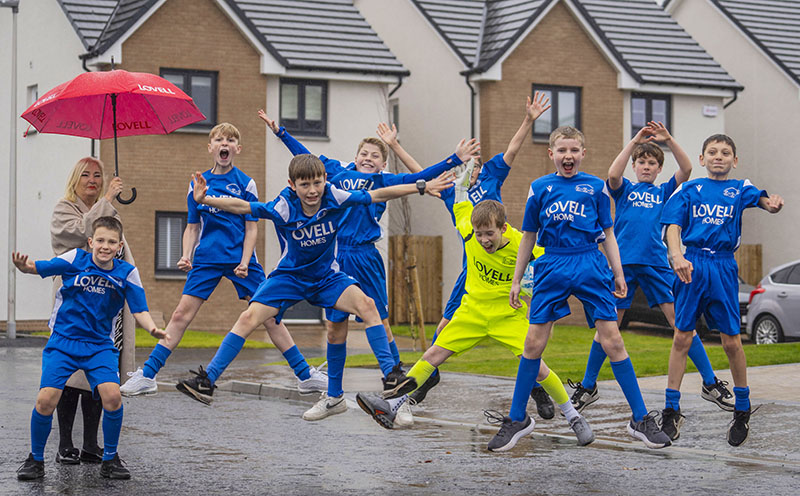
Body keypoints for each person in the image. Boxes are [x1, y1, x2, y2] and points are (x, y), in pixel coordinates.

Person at [174, 155, 455, 411]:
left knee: (368, 306)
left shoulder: (334, 195)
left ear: (325, 181)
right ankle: (207, 380)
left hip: (326, 277)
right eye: (305, 184)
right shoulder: (284, 206)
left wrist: (420, 186)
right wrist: (206, 200)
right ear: (292, 185)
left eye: (317, 183)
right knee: (249, 317)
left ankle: (392, 376)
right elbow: (243, 206)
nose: (312, 191)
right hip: (290, 277)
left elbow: (377, 193)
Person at [258, 110, 479, 424]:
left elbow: (421, 177)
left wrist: (453, 159)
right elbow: (304, 157)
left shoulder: (381, 181)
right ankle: (333, 395)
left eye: (375, 155)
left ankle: (397, 394)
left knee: (380, 321)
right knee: (336, 328)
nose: (368, 157)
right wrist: (281, 133)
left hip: (365, 256)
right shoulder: (334, 172)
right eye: (364, 153)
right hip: (336, 256)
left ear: (382, 164)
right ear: (355, 156)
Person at [356, 198, 595, 449]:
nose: (484, 240)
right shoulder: (468, 229)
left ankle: (573, 416)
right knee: (433, 354)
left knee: (538, 367)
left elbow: (555, 263)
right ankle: (394, 404)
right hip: (471, 313)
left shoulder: (521, 243)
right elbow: (457, 196)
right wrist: (461, 171)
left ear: (503, 228)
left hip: (507, 316)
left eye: (489, 234)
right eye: (479, 234)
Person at [491, 125, 672, 452]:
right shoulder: (539, 188)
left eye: (574, 150)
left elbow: (609, 233)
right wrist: (517, 279)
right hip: (552, 265)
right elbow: (528, 237)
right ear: (552, 155)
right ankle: (518, 418)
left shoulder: (595, 188)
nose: (568, 156)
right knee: (533, 343)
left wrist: (618, 272)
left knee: (612, 338)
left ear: (583, 154)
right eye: (562, 151)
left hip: (589, 262)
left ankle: (641, 419)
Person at [377, 93, 557, 420]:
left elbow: (513, 150)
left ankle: (537, 387)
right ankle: (425, 379)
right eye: (465, 166)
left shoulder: (491, 179)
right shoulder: (451, 190)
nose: (471, 170)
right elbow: (423, 173)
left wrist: (529, 120)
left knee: (521, 333)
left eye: (474, 164)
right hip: (471, 273)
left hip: (506, 267)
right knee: (445, 329)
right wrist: (395, 146)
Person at [120, 123, 326, 399]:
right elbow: (192, 225)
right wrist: (185, 254)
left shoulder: (245, 183)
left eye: (230, 140)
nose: (224, 143)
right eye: (219, 139)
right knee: (181, 314)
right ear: (211, 147)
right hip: (207, 259)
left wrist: (244, 261)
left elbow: (252, 226)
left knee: (270, 317)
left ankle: (305, 376)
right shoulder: (197, 183)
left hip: (242, 260)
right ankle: (148, 375)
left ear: (237, 149)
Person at [569, 122, 734, 415]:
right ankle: (588, 385)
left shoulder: (664, 192)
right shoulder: (624, 189)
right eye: (642, 162)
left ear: (659, 169)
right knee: (607, 327)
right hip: (623, 267)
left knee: (681, 325)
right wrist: (634, 141)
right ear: (635, 165)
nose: (646, 167)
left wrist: (669, 138)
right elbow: (612, 174)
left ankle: (710, 382)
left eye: (652, 163)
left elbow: (685, 169)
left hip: (657, 265)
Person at [14, 216, 167, 480]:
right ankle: (35, 460)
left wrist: (152, 328)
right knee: (45, 400)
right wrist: (25, 267)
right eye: (100, 240)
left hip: (99, 346)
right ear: (90, 242)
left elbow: (139, 308)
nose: (105, 246)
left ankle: (110, 460)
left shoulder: (126, 272)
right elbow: (42, 266)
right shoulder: (76, 259)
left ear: (119, 246)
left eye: (111, 242)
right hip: (64, 342)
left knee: (112, 397)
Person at [660, 134, 783, 445]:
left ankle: (742, 408)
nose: (719, 156)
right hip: (692, 262)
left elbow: (765, 202)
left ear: (734, 161)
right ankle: (671, 410)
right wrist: (677, 255)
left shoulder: (739, 188)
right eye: (712, 152)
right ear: (702, 159)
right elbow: (672, 226)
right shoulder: (689, 189)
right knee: (681, 337)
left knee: (731, 342)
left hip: (724, 267)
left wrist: (773, 205)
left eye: (725, 152)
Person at [49, 156, 135, 465]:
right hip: (74, 307)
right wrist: (108, 201)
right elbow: (76, 235)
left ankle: (90, 444)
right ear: (75, 179)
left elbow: (114, 245)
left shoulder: (106, 211)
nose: (93, 180)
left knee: (97, 377)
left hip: (102, 306)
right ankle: (64, 444)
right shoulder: (64, 208)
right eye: (85, 174)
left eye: (97, 175)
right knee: (71, 377)